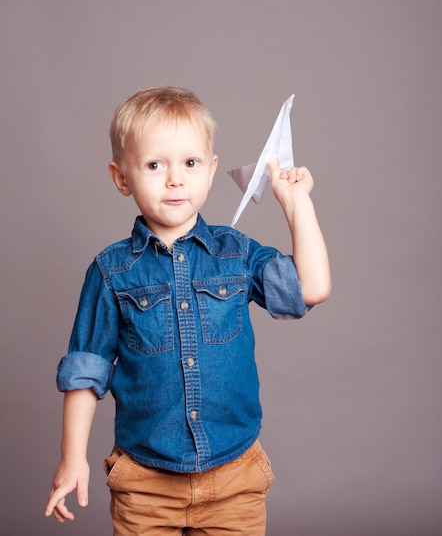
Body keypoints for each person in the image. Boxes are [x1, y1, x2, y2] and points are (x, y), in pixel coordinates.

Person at [45, 86, 331, 535]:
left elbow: (310, 289)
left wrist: (297, 204)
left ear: (212, 170)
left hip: (234, 476)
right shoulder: (111, 270)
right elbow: (87, 370)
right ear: (121, 178)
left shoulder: (235, 255)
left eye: (190, 163)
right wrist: (72, 457)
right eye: (155, 165)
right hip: (145, 484)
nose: (175, 179)